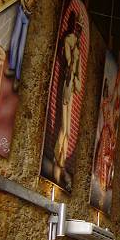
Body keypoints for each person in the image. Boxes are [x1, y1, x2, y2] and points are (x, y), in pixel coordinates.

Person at [53, 12, 83, 183]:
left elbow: (78, 71)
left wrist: (76, 77)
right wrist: (71, 64)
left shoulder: (77, 45)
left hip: (71, 85)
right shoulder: (69, 40)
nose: (78, 30)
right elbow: (69, 62)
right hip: (67, 83)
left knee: (69, 130)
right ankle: (58, 157)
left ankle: (62, 159)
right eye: (77, 26)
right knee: (64, 127)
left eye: (80, 28)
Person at [5, 0, 39, 91]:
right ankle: (12, 67)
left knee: (21, 49)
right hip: (21, 11)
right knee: (14, 40)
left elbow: (32, 2)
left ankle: (18, 78)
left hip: (28, 17)